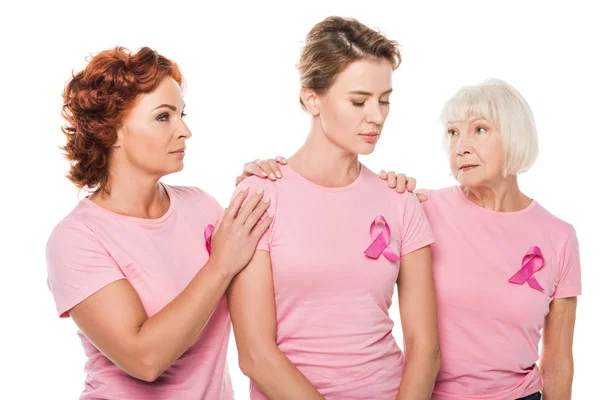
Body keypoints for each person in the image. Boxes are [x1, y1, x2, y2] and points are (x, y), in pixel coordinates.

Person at [242, 79, 581, 400]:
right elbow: (340, 215)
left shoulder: (559, 237)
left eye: (479, 130)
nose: (461, 147)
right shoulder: (417, 206)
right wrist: (271, 177)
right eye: (452, 133)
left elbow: (558, 361)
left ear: (515, 135)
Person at [227, 16, 441, 400]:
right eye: (359, 101)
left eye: (385, 100)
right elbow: (255, 354)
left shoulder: (401, 200)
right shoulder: (260, 195)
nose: (376, 116)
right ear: (312, 99)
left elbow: (425, 348)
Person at [45, 46, 273, 399]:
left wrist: (268, 190)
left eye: (182, 114)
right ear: (113, 130)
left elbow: (268, 301)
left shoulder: (202, 205)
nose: (185, 131)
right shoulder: (77, 239)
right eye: (164, 116)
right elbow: (144, 359)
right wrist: (220, 265)